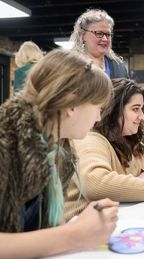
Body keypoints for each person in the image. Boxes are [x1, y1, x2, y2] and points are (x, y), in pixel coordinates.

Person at [0, 48, 119, 258]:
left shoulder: (59, 147)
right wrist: (76, 234)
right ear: (71, 104)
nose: (98, 118)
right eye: (98, 107)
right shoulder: (6, 144)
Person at [65, 78, 144, 220]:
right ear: (114, 109)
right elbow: (96, 185)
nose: (142, 117)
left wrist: (142, 181)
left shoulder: (128, 140)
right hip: (80, 227)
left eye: (142, 109)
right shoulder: (90, 139)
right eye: (135, 109)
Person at [70, 8, 129, 78]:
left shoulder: (119, 67)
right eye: (99, 33)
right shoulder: (71, 66)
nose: (105, 39)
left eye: (108, 34)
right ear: (83, 35)